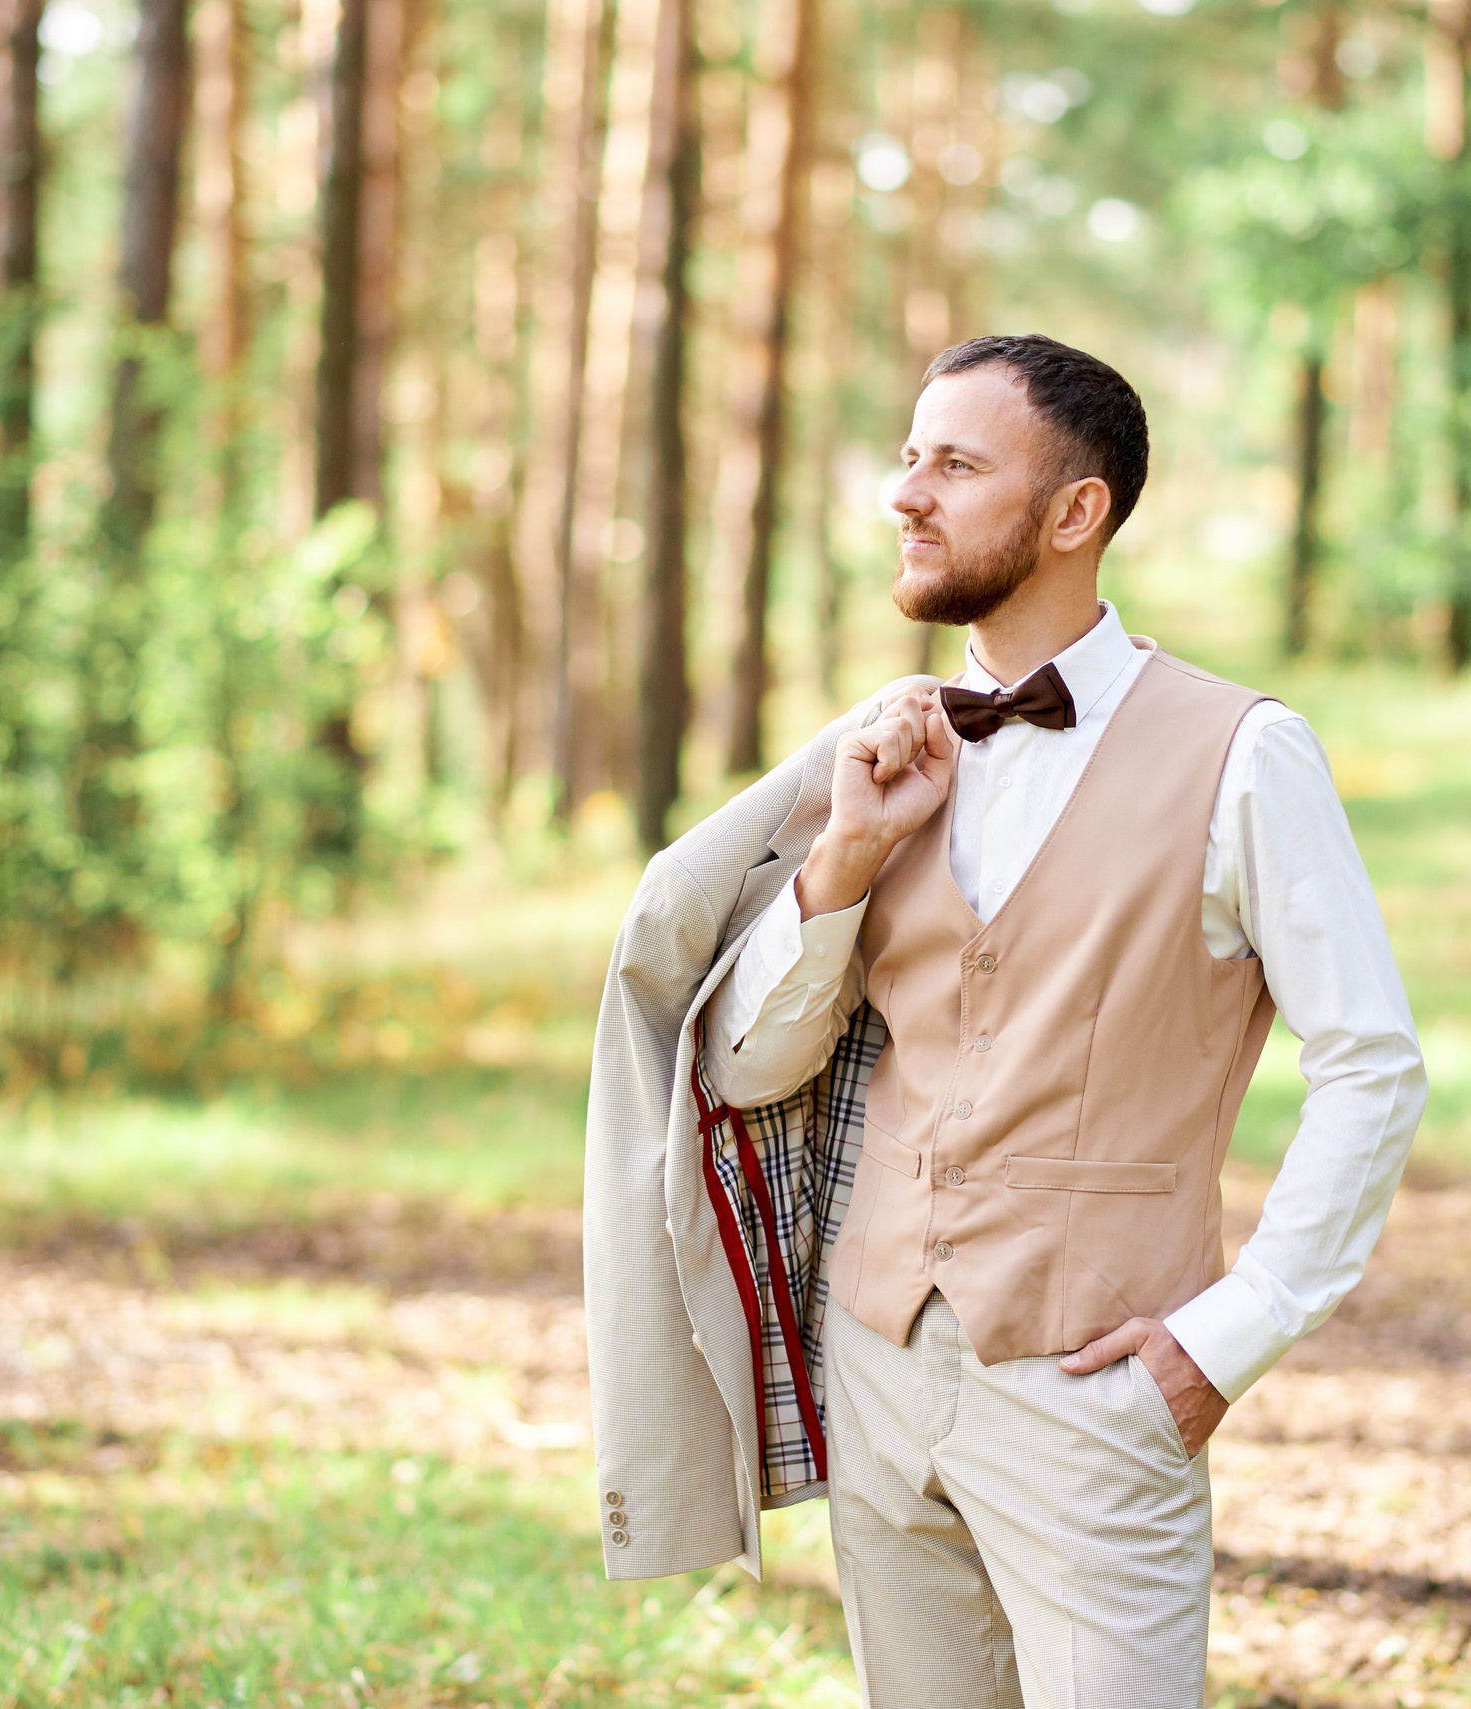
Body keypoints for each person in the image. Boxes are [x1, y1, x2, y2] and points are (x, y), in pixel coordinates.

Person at [580, 333, 1423, 1709]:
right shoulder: (882, 750)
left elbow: (1373, 1065)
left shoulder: (1244, 752)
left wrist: (1228, 1336)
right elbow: (740, 1063)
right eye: (909, 460)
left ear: (1074, 513)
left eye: (956, 465)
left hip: (1096, 1394)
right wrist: (845, 862)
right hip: (878, 1364)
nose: (907, 494)